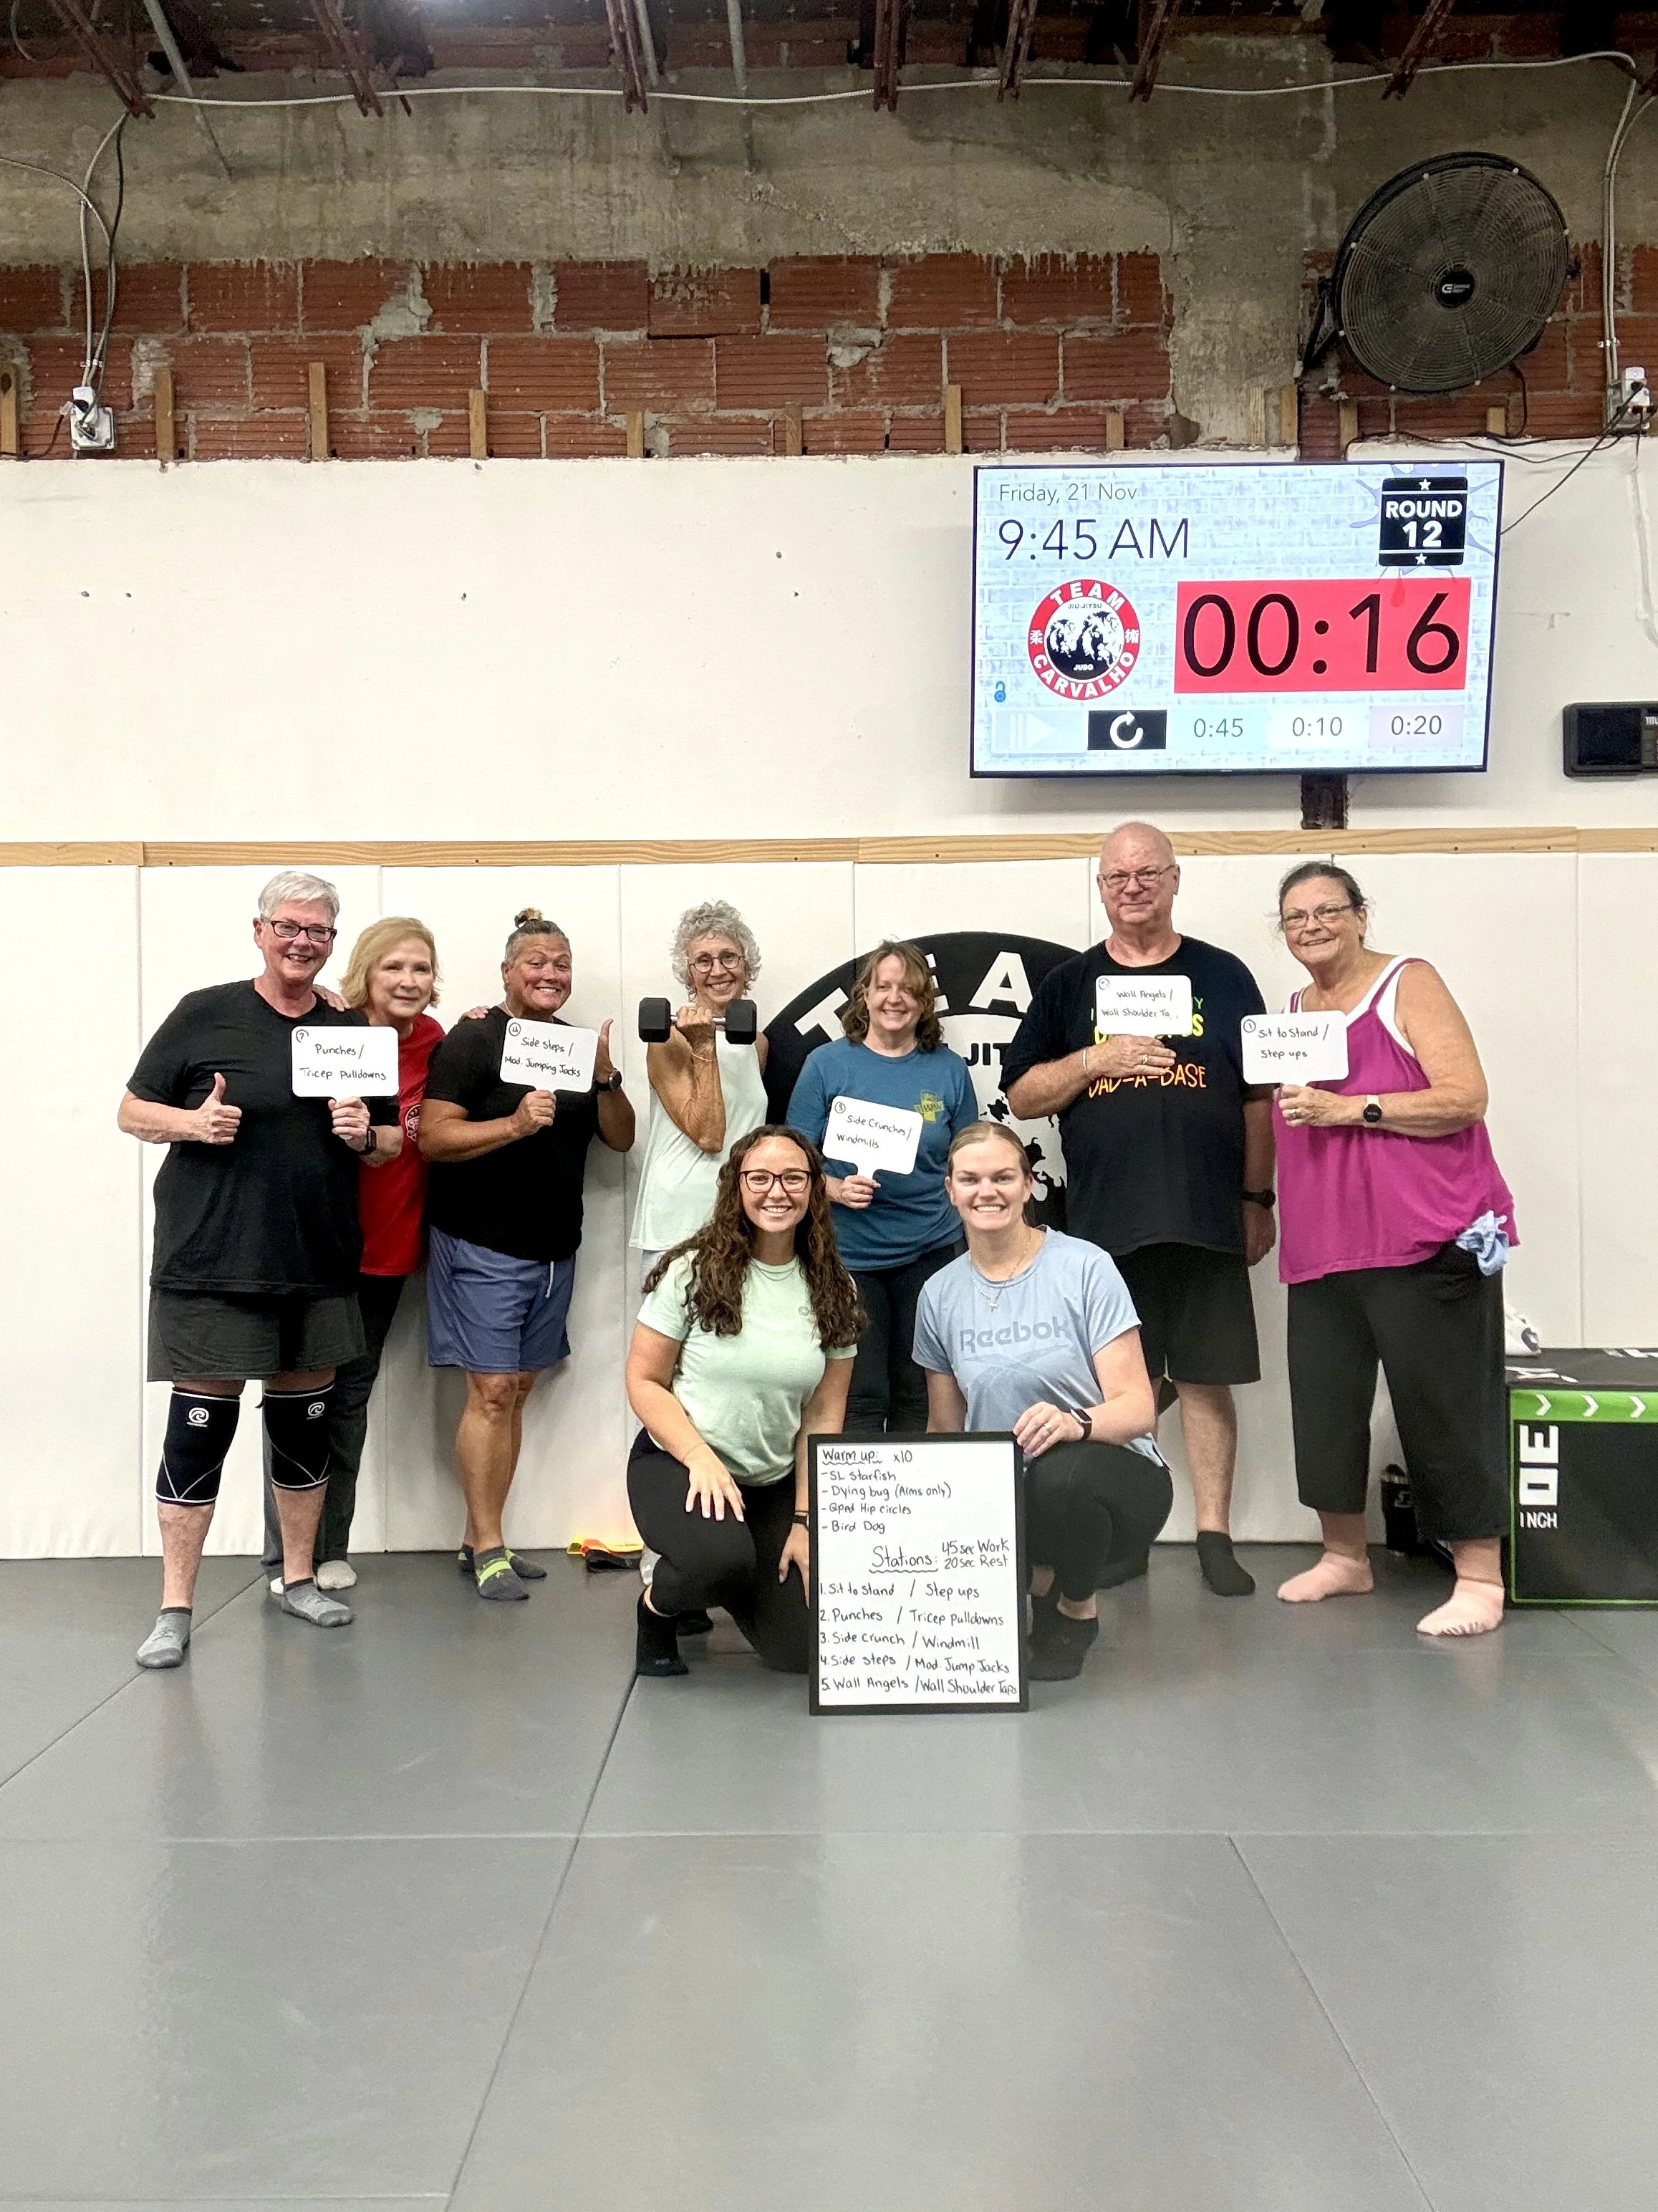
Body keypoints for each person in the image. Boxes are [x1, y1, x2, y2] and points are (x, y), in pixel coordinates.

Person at [118, 871, 403, 1669]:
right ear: (260, 931)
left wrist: (362, 1134)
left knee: (304, 1429)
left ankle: (299, 1579)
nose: (303, 942)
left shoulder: (349, 1030)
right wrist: (192, 1122)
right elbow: (132, 1109)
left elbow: (390, 1141)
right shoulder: (203, 1012)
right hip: (211, 1262)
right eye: (289, 927)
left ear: (332, 942)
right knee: (198, 1435)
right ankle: (175, 1607)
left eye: (318, 931)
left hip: (316, 1262)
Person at [1002, 822, 1273, 1599]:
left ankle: (1214, 1536)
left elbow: (1258, 1098)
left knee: (1205, 1378)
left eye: (1147, 873)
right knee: (1117, 1386)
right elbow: (1022, 1095)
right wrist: (1098, 1058)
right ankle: (1123, 1536)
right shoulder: (1070, 984)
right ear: (1100, 888)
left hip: (1205, 1215)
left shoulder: (1224, 974)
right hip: (1105, 1224)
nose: (1132, 887)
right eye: (1117, 876)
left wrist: (1258, 1197)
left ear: (1174, 879)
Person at [1271, 863, 1516, 1638]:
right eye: (1294, 917)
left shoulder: (1408, 981)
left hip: (1422, 1237)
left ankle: (1479, 1576)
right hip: (1323, 1242)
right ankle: (1344, 1556)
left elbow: (1464, 1097)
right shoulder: (1289, 1013)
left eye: (1326, 910)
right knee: (1325, 1409)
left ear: (1359, 915)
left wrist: (1354, 1109)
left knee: (1445, 1407)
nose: (1310, 926)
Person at [418, 909, 635, 1602]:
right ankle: (488, 1547)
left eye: (561, 964)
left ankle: (481, 1538)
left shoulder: (574, 1048)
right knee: (489, 1392)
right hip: (480, 1243)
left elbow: (620, 1139)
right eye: (536, 963)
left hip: (553, 1253)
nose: (550, 974)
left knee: (514, 1390)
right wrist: (513, 1124)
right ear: (508, 971)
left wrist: (605, 1077)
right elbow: (433, 1138)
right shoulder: (474, 1038)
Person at [915, 1122, 1172, 1682]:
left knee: (1061, 1477)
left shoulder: (1084, 1267)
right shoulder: (938, 1294)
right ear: (950, 1190)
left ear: (1028, 1184)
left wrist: (1074, 1423)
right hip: (1006, 1491)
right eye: (971, 1179)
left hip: (1110, 1480)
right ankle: (1044, 1582)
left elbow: (1137, 1409)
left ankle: (1076, 1607)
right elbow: (944, 1428)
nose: (987, 1191)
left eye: (1003, 1177)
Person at [625, 1126, 862, 1678]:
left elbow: (823, 1415)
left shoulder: (835, 1288)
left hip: (771, 1483)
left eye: (792, 1178)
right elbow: (644, 1380)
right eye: (759, 1178)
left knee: (801, 1653)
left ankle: (737, 1574)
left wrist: (804, 1520)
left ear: (814, 1188)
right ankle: (660, 1609)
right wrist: (699, 1457)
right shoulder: (692, 1271)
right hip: (682, 1465)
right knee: (716, 1559)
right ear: (737, 1186)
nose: (776, 1191)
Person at [261, 918, 444, 1595]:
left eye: (420, 968)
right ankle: (285, 1557)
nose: (407, 981)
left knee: (348, 1400)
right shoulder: (328, 1029)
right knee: (294, 1402)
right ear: (365, 971)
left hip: (388, 1248)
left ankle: (330, 1546)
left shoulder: (435, 1039)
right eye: (393, 967)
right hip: (312, 1247)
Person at [786, 941, 977, 1435]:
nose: (895, 999)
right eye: (884, 987)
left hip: (930, 1250)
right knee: (860, 1393)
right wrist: (831, 1188)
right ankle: (864, 1487)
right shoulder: (827, 1065)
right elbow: (793, 1156)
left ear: (924, 1002)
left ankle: (914, 1486)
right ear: (865, 996)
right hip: (850, 1254)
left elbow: (969, 1157)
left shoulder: (949, 1070)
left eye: (908, 989)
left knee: (920, 1391)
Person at [630, 899, 770, 1271]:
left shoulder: (756, 1043)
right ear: (689, 974)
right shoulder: (668, 1039)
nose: (718, 971)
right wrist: (704, 1044)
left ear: (746, 965)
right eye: (703, 961)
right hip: (679, 1220)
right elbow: (708, 1135)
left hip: (738, 1217)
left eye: (729, 957)